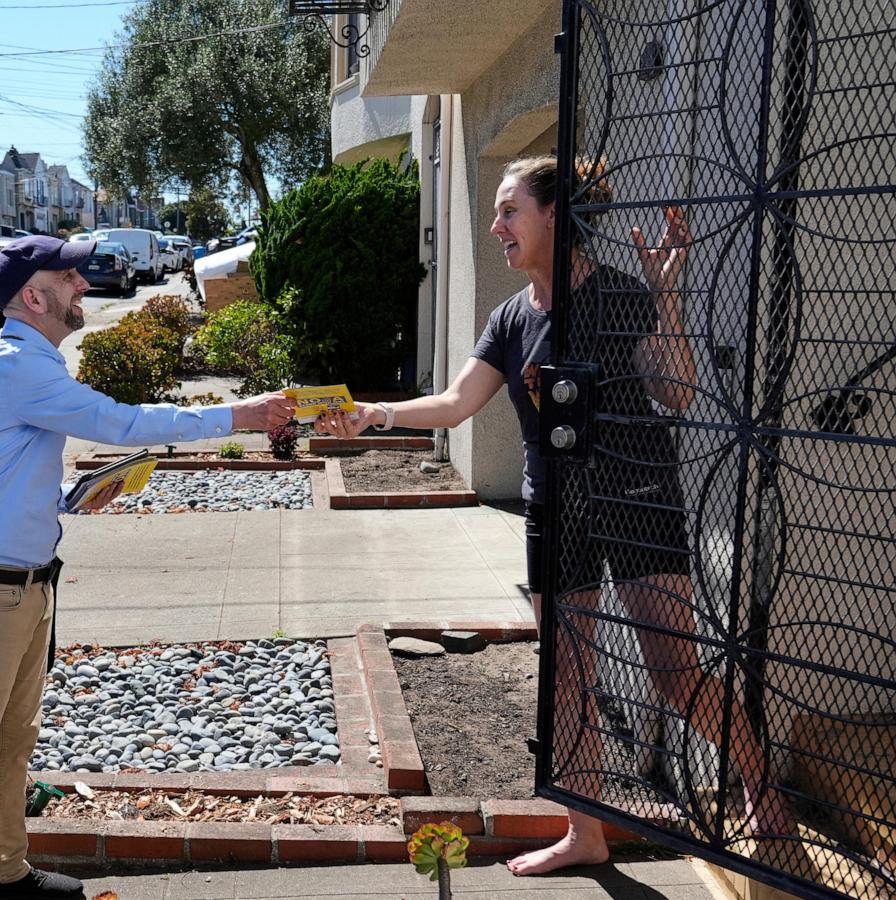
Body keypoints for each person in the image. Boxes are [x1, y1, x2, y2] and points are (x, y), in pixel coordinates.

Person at [315, 155, 786, 875]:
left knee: (675, 673)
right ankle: (586, 832)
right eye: (500, 212)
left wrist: (668, 300)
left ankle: (763, 791)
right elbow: (455, 403)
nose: (499, 225)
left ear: (553, 217)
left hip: (639, 503)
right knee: (567, 676)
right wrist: (375, 413)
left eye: (510, 211)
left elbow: (680, 392)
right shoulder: (511, 318)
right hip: (557, 510)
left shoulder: (625, 294)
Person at [0, 236, 296, 900]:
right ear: (33, 297)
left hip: (21, 590)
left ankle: (2, 873)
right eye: (69, 277)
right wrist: (240, 413)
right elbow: (119, 421)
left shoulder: (30, 363)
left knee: (10, 747)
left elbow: (7, 478)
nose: (83, 286)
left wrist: (79, 496)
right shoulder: (17, 367)